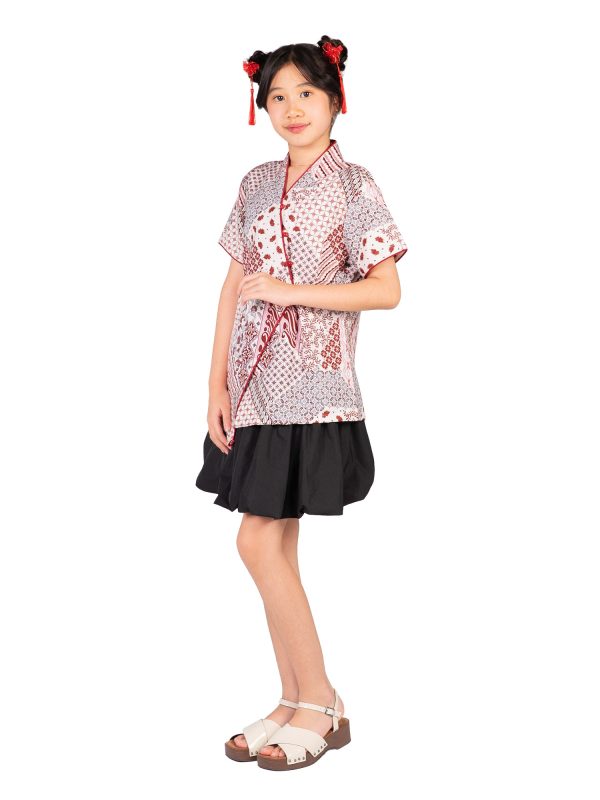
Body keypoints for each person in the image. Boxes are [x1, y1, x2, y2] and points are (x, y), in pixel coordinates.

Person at [195, 35, 408, 771]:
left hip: (316, 391)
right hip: (253, 390)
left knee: (256, 542)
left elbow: (386, 289)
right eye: (277, 96)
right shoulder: (256, 181)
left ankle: (320, 697)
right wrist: (215, 385)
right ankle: (294, 700)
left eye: (306, 94)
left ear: (334, 99)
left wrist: (291, 291)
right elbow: (232, 286)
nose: (291, 108)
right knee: (273, 544)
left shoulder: (355, 185)